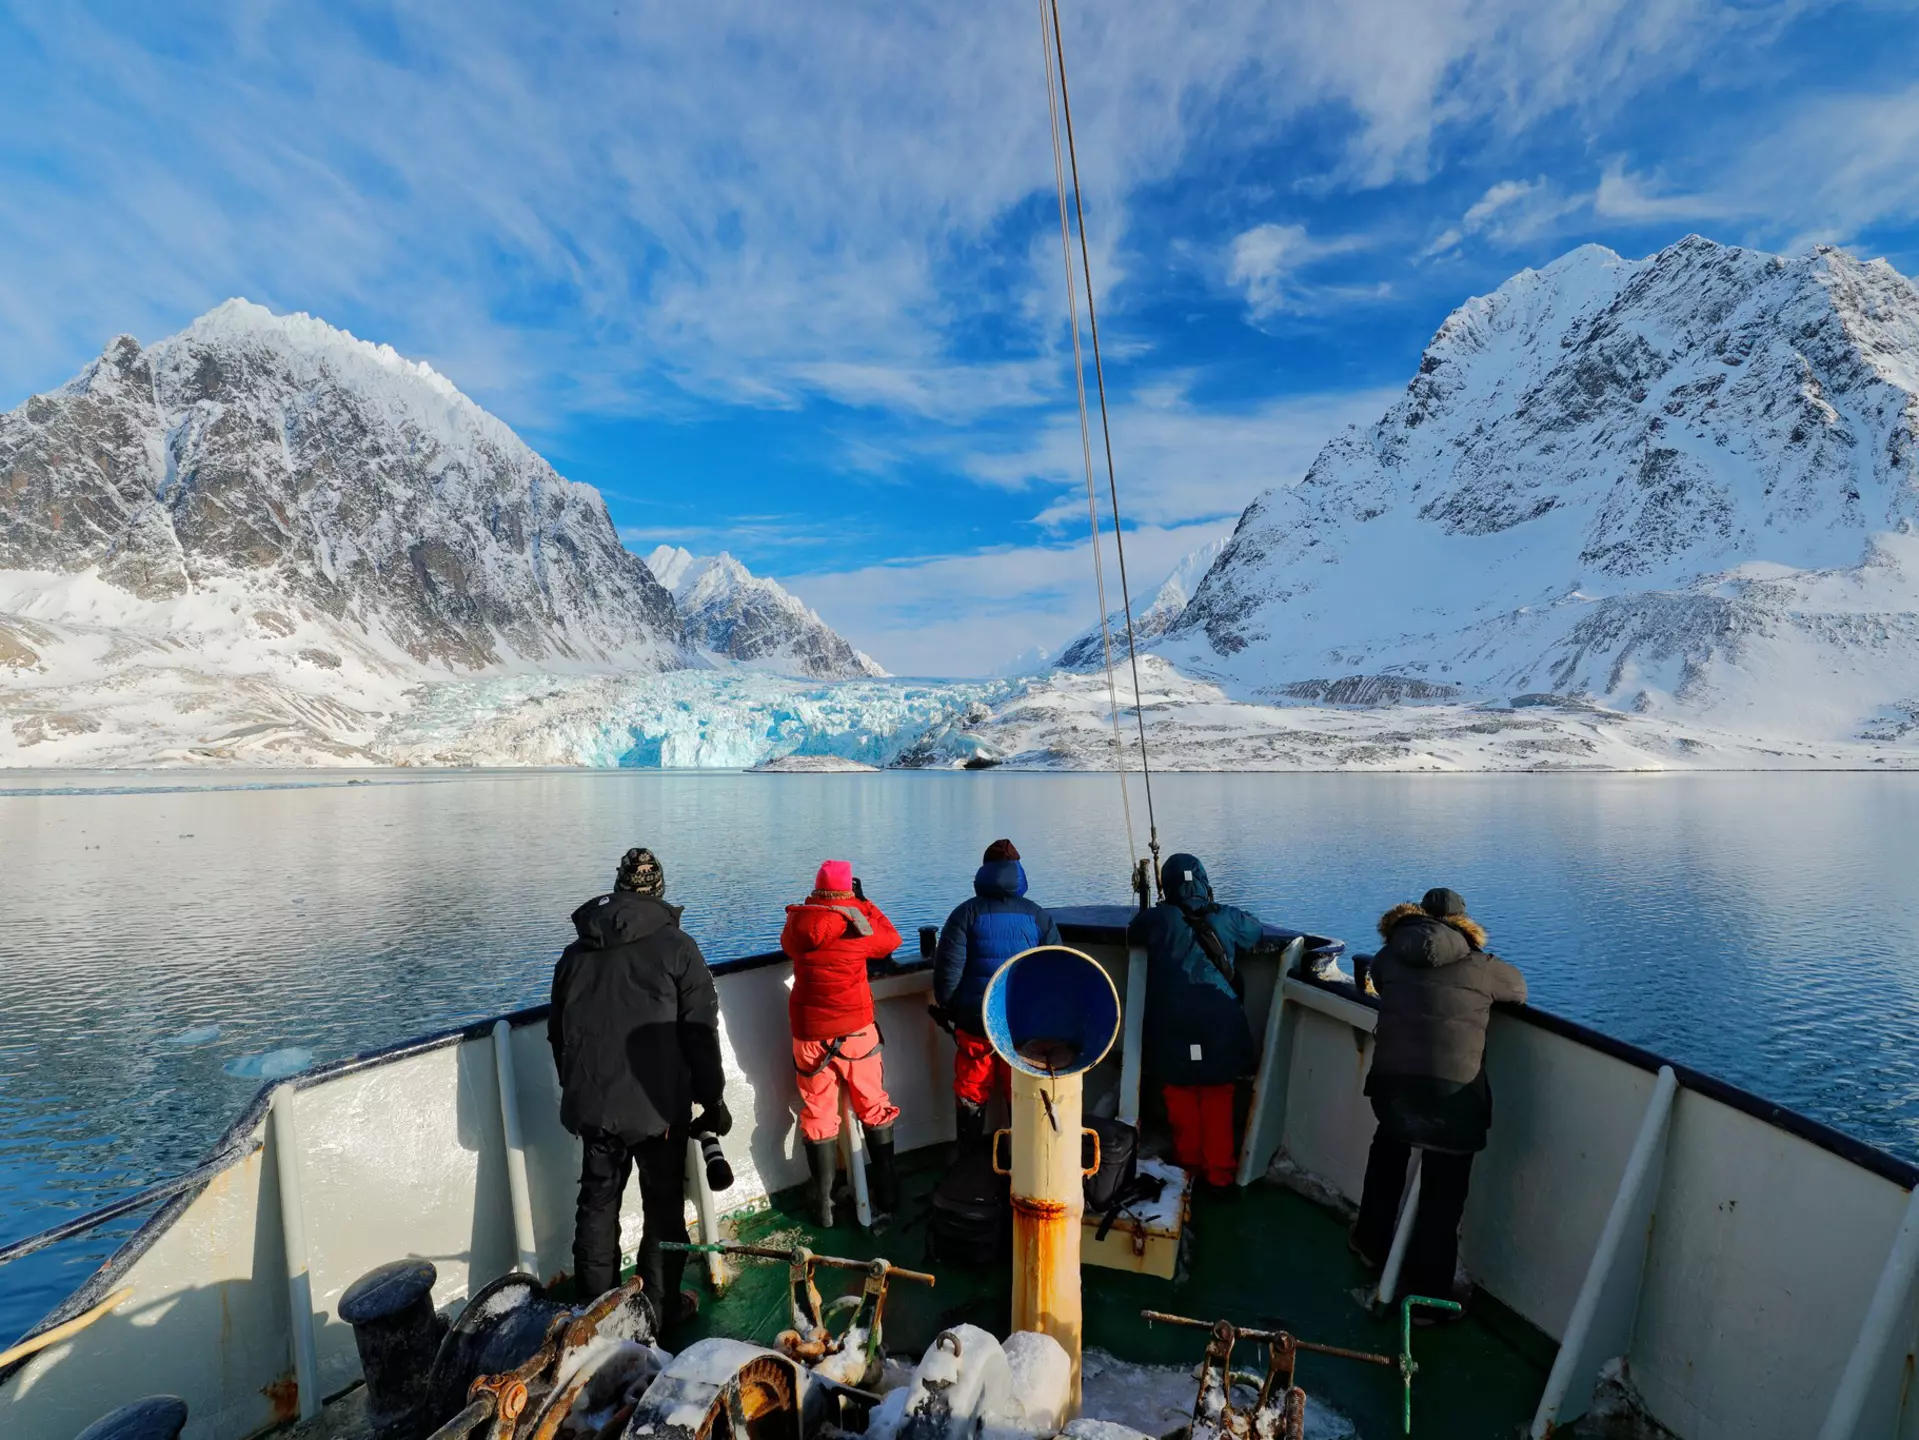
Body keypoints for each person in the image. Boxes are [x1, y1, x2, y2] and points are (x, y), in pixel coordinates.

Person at [548, 846, 729, 1328]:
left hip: (594, 1106)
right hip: (657, 1110)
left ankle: (593, 1320)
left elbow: (558, 1034)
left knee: (597, 1205)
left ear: (620, 887)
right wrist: (712, 1100)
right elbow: (700, 1033)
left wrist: (577, 1088)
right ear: (659, 890)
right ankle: (660, 1311)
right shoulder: (678, 949)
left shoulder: (574, 954)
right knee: (663, 1207)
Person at [1349, 887, 1526, 1310]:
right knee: (1442, 1194)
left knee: (1387, 1154)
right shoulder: (1482, 966)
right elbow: (1518, 991)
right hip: (1453, 1099)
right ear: (1465, 924)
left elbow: (1379, 976)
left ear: (1419, 917)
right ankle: (1429, 1300)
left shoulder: (1389, 956)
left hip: (1392, 1091)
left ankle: (1369, 1243)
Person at [1129, 852, 1264, 1190]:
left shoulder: (1160, 920)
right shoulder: (1227, 918)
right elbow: (1255, 932)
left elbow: (1135, 932)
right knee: (1217, 1096)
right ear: (1204, 883)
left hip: (1175, 1030)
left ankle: (1187, 1170)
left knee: (1180, 1093)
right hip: (1220, 1028)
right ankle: (1219, 1175)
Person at [781, 860, 903, 1226]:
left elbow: (791, 945)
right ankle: (888, 1194)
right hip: (855, 1034)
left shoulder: (796, 923)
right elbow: (891, 941)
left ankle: (823, 1207)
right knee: (873, 1107)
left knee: (818, 1115)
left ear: (817, 890)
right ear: (848, 890)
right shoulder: (856, 924)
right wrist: (864, 904)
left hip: (809, 1035)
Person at [933, 838, 1062, 1148]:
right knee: (1019, 1092)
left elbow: (948, 974)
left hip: (976, 1025)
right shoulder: (1038, 916)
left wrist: (952, 1010)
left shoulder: (965, 915)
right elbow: (1057, 971)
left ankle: (969, 1167)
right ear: (1019, 872)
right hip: (1023, 1026)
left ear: (984, 872)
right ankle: (1023, 1167)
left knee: (971, 1091)